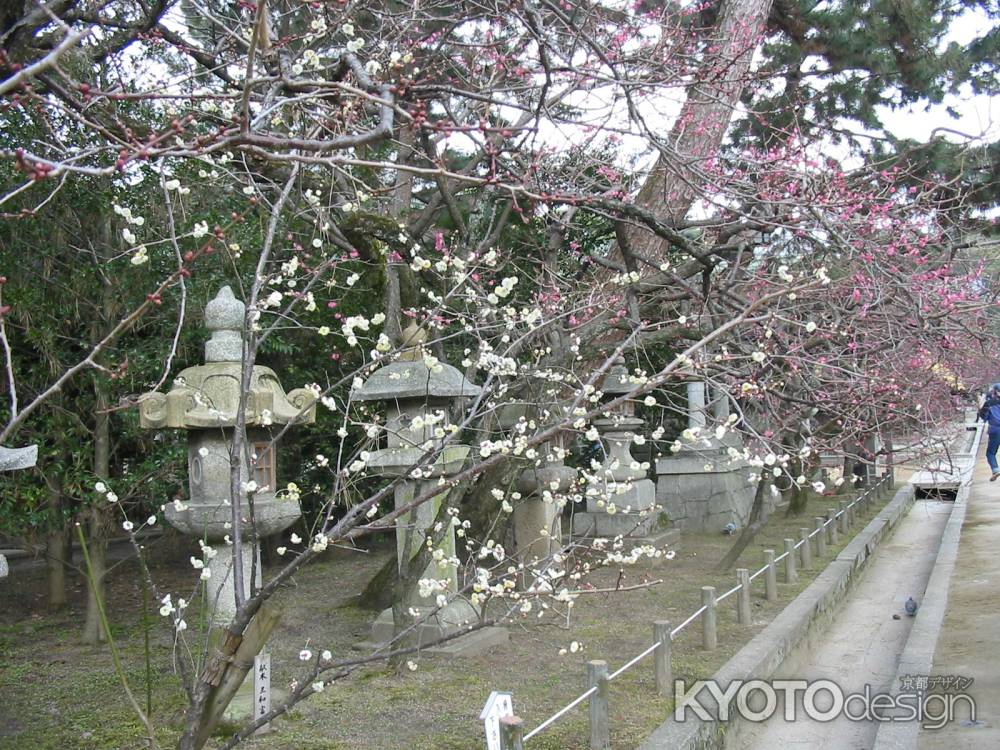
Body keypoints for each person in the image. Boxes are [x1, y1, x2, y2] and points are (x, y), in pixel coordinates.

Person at [977, 383, 1000, 480]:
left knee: (990, 453)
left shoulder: (989, 403)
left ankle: (995, 470)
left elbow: (983, 417)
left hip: (995, 430)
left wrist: (980, 405)